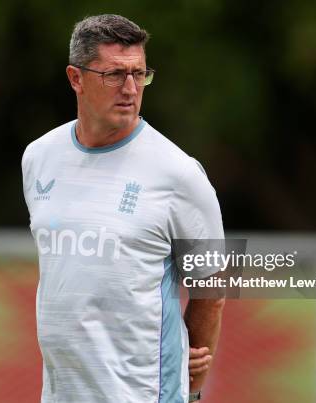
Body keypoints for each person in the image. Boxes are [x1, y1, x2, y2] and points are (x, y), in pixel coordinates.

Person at [22, 14, 225, 403]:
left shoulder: (179, 173)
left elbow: (212, 287)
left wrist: (190, 386)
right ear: (76, 78)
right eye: (114, 74)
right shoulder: (39, 157)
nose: (130, 88)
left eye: (140, 74)